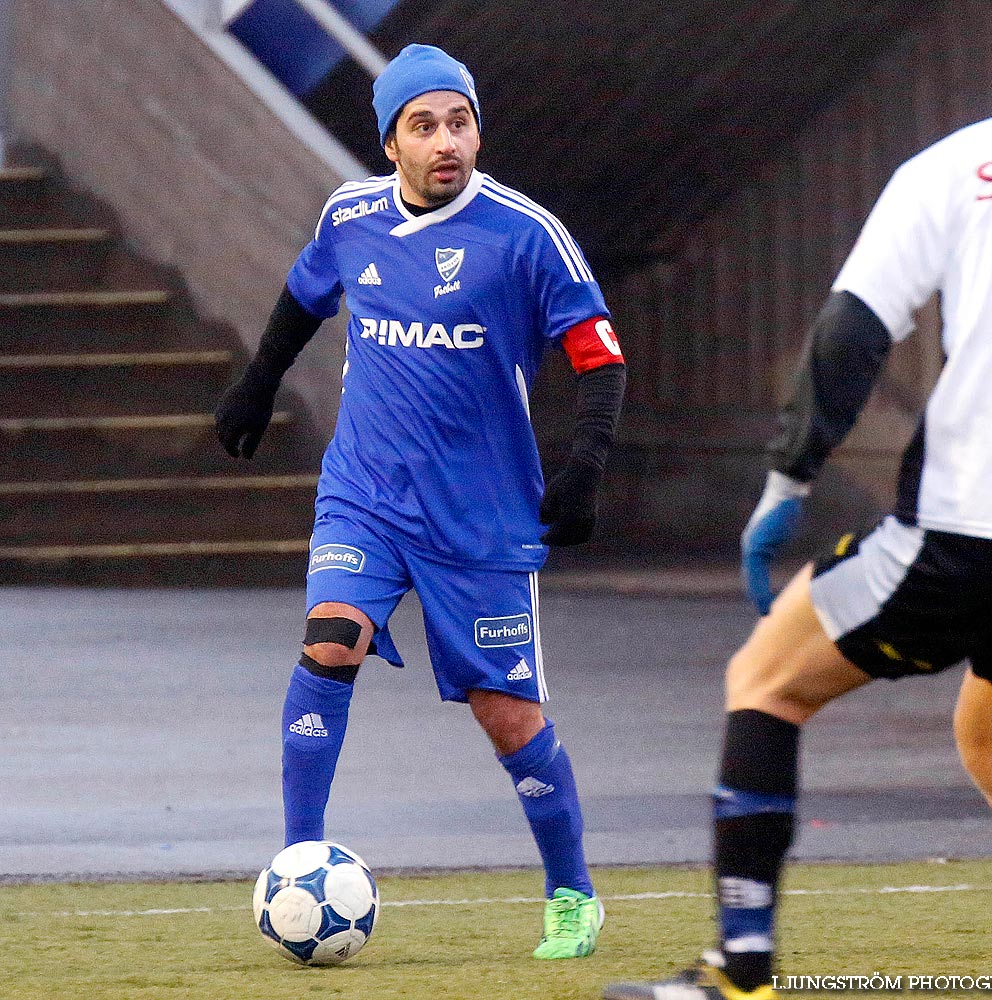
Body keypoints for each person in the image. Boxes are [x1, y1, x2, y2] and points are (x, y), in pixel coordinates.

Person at [604, 2, 992, 996]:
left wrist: (786, 481)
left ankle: (740, 968)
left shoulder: (957, 166)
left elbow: (851, 333)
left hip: (969, 528)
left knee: (766, 678)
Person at [215, 43, 626, 960]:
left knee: (505, 714)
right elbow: (301, 295)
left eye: (460, 121)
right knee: (330, 639)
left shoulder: (525, 234)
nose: (447, 141)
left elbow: (599, 356)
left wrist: (586, 464)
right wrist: (257, 383)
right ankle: (300, 860)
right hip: (365, 491)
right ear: (389, 142)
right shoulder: (350, 216)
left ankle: (572, 893)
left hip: (478, 519)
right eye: (424, 125)